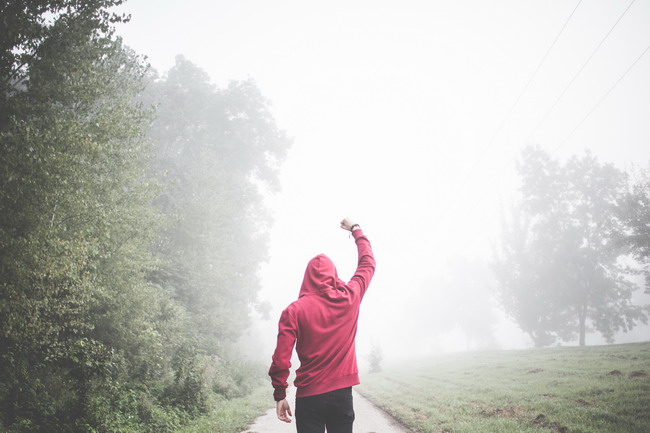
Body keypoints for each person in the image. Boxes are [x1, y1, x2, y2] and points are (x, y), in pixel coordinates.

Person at [268, 217, 376, 433]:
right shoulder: (349, 297)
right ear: (333, 275)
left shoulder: (294, 311)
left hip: (309, 398)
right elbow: (367, 263)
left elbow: (281, 359)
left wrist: (280, 394)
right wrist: (355, 230)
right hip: (341, 396)